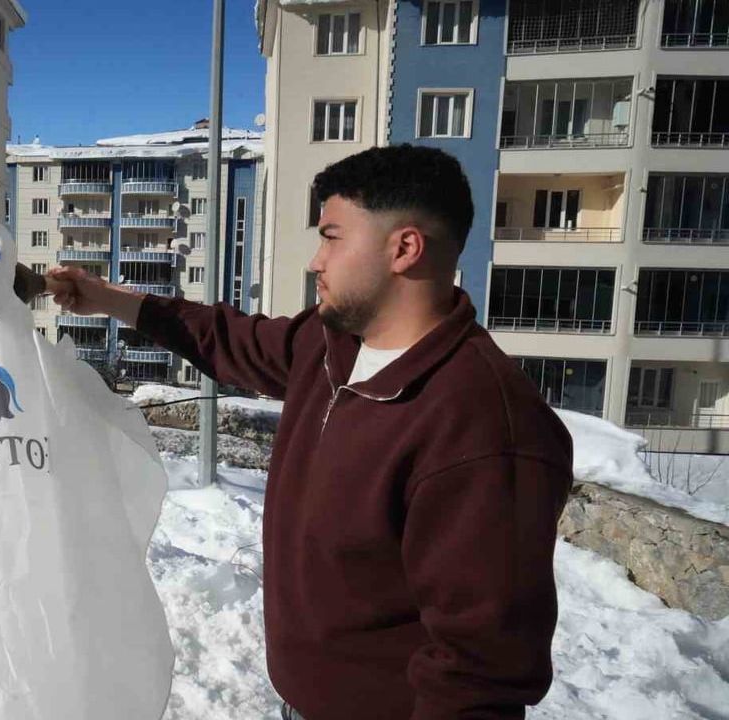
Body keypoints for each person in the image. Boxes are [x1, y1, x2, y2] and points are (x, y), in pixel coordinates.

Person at [45, 144, 574, 720]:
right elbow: (227, 337)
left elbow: (480, 672)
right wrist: (103, 297)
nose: (316, 261)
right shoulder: (329, 347)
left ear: (404, 249)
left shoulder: (483, 428)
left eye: (332, 237)